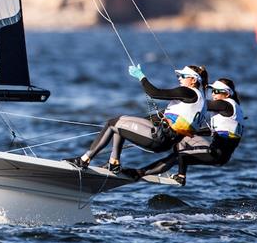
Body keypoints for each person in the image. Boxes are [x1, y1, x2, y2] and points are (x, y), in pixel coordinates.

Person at [65, 65, 208, 173]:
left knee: (111, 123)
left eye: (183, 76)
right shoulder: (202, 102)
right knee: (122, 122)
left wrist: (141, 76)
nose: (179, 78)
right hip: (165, 141)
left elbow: (154, 93)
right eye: (179, 75)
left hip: (159, 139)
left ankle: (83, 161)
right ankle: (114, 163)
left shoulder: (188, 92)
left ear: (193, 80)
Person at [125, 78, 244, 185]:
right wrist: (195, 131)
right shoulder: (233, 108)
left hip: (216, 154)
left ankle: (146, 173)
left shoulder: (224, 105)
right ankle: (159, 168)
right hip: (220, 154)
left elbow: (202, 104)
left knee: (181, 156)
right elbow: (217, 132)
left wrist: (184, 101)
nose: (213, 94)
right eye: (212, 91)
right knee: (181, 140)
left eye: (217, 92)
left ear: (227, 93)